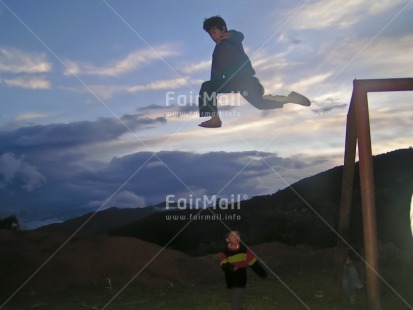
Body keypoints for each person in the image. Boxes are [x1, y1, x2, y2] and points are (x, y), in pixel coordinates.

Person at [199, 16, 311, 128]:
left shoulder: (231, 39)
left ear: (223, 29)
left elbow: (239, 36)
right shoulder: (216, 52)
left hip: (246, 80)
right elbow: (215, 73)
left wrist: (231, 35)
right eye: (210, 34)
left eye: (214, 32)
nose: (213, 36)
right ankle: (215, 119)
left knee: (259, 103)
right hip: (235, 83)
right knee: (208, 86)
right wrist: (212, 90)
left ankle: (290, 98)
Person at [219, 227, 267, 310]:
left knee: (235, 303)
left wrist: (262, 273)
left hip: (241, 279)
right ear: (227, 240)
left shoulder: (244, 250)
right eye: (232, 236)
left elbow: (253, 263)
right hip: (230, 279)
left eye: (237, 234)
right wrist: (230, 267)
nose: (236, 237)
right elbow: (223, 264)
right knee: (234, 299)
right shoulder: (225, 252)